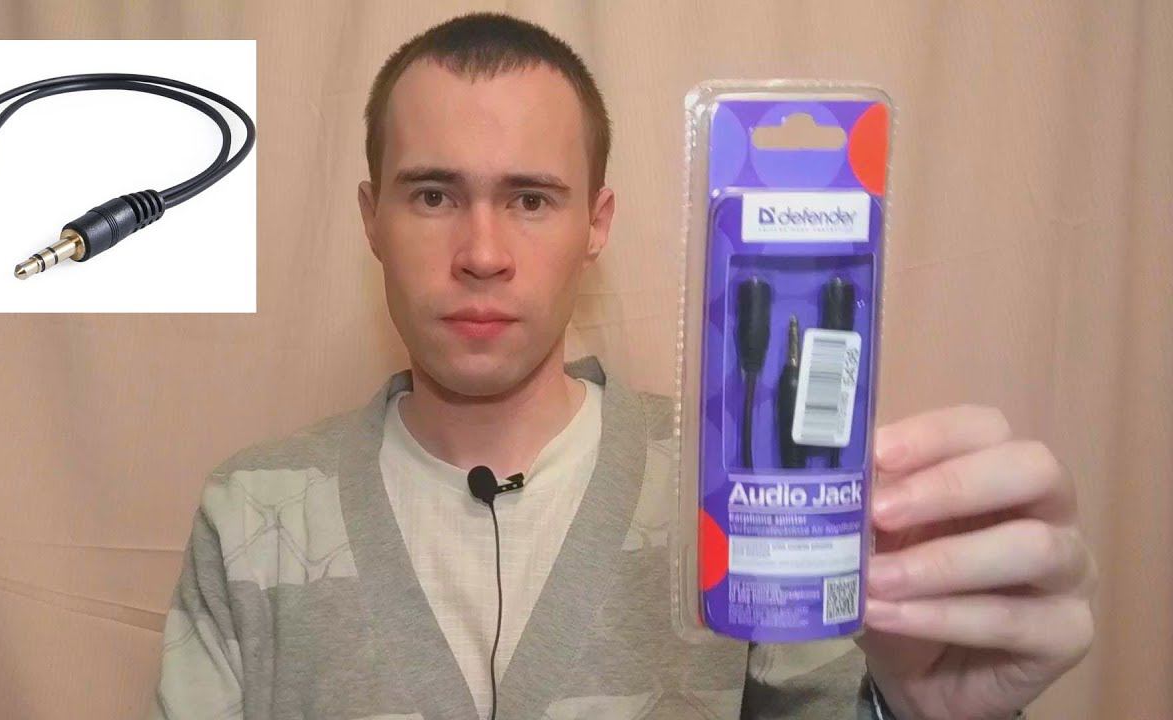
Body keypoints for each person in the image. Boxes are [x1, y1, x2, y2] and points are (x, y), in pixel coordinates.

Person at [150, 12, 1096, 720]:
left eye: (531, 199)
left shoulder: (737, 492)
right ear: (371, 218)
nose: (482, 253)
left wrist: (912, 714)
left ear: (596, 223)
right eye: (433, 195)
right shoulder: (251, 515)